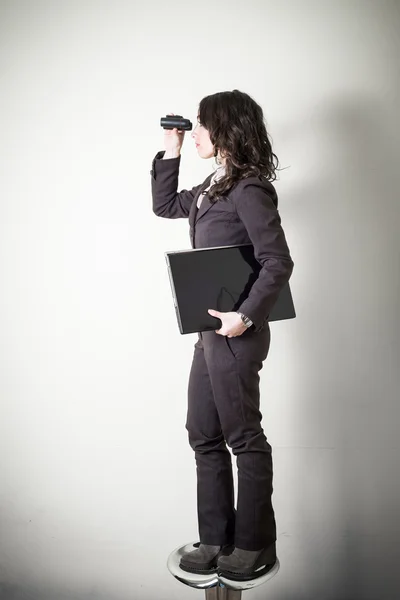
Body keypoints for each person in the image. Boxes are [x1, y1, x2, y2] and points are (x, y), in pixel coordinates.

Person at [150, 90, 294, 582]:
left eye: (201, 127)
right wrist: (171, 147)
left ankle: (253, 545)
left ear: (225, 128)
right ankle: (215, 538)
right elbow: (165, 204)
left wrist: (246, 316)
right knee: (203, 435)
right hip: (209, 335)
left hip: (237, 333)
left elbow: (278, 262)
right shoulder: (213, 186)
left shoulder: (248, 189)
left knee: (243, 438)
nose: (197, 135)